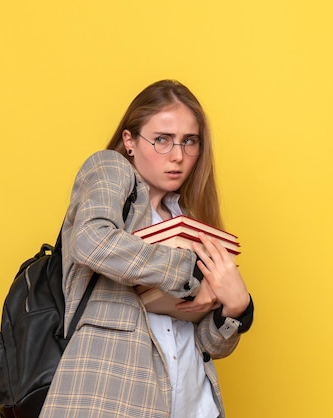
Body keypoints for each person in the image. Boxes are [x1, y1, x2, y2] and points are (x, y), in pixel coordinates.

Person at [40, 79, 254, 418]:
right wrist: (189, 271)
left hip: (191, 402)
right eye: (162, 140)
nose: (179, 156)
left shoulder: (185, 219)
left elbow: (206, 344)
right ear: (130, 141)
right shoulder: (110, 170)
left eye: (189, 141)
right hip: (114, 398)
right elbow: (91, 240)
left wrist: (235, 309)